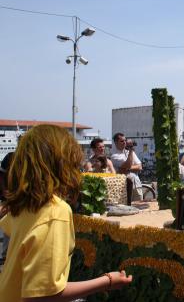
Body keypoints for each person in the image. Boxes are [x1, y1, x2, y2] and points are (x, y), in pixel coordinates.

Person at [0, 125, 132, 301]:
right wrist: (107, 281)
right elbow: (42, 296)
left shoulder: (26, 203)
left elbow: (10, 227)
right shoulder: (55, 212)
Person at [110, 133, 143, 204]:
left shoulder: (129, 152)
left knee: (139, 205)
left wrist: (127, 169)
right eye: (122, 141)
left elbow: (139, 166)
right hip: (124, 186)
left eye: (125, 140)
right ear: (116, 143)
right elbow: (128, 164)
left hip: (136, 184)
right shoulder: (114, 156)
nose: (124, 142)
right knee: (127, 205)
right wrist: (131, 151)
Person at [0, 152, 14, 265]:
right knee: (7, 227)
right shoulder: (9, 158)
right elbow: (1, 175)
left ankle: (8, 255)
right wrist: (5, 192)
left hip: (21, 199)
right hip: (10, 198)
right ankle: (5, 256)